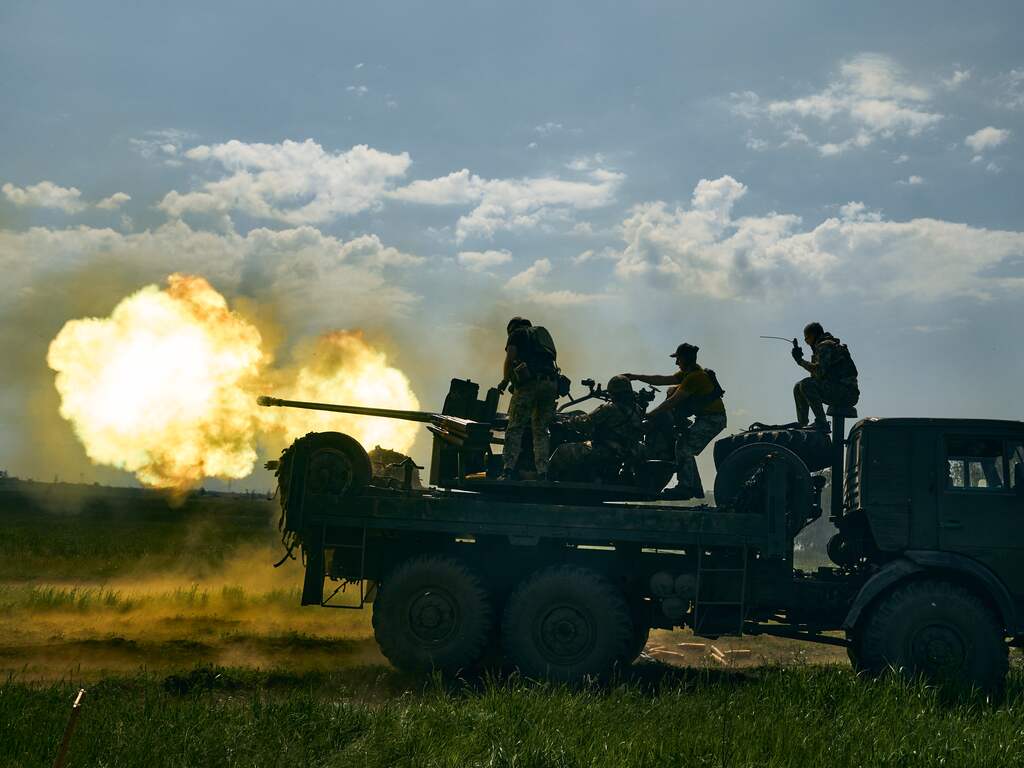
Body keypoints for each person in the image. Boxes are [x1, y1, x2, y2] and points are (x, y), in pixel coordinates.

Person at [625, 343, 726, 500]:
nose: (676, 362)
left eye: (678, 359)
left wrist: (650, 415)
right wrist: (636, 377)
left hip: (712, 420)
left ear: (685, 358)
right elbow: (661, 379)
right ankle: (694, 488)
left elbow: (672, 402)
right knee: (684, 446)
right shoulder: (688, 374)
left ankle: (685, 487)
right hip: (708, 418)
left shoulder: (694, 377)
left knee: (683, 446)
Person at [549, 375, 646, 484]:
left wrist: (564, 422)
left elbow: (585, 423)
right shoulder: (638, 410)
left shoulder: (609, 408)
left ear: (612, 392)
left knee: (562, 451)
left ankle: (546, 483)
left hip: (605, 451)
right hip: (628, 453)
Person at [499, 317, 559, 480]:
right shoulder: (540, 336)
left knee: (515, 426)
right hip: (551, 384)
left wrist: (505, 381)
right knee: (541, 430)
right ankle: (542, 472)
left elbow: (510, 358)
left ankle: (508, 470)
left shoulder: (517, 334)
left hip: (530, 384)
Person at [792, 322, 859, 430]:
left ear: (813, 335)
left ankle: (822, 423)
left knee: (806, 384)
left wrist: (800, 361)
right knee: (798, 387)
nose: (807, 342)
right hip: (839, 390)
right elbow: (817, 378)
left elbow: (818, 373)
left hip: (847, 392)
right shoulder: (822, 348)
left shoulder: (825, 346)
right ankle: (802, 425)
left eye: (806, 339)